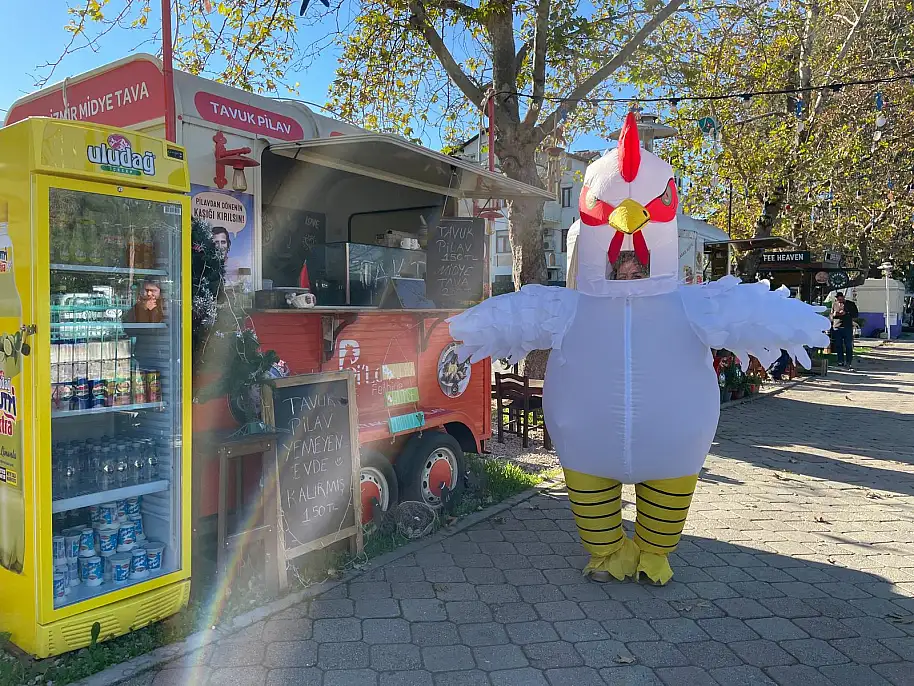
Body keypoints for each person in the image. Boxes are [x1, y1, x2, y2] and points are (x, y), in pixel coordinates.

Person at [830, 292, 858, 368]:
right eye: (837, 298)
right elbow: (831, 315)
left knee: (848, 345)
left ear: (843, 297)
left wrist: (846, 313)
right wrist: (834, 314)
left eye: (840, 298)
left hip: (847, 327)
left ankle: (848, 362)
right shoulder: (834, 304)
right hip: (837, 327)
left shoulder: (850, 304)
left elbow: (856, 314)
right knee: (838, 345)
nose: (839, 300)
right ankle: (840, 361)